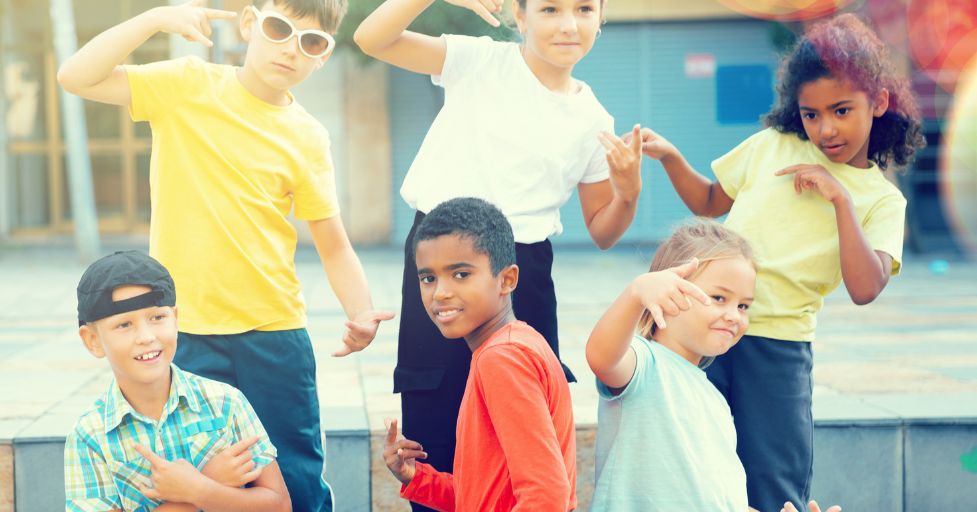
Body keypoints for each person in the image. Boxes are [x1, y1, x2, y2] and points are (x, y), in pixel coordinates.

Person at [57, 2, 394, 509]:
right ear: (248, 24)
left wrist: (360, 310)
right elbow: (75, 76)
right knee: (205, 480)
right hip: (186, 331)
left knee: (296, 477)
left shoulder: (307, 135)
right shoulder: (186, 85)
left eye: (312, 42)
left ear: (323, 57)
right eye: (280, 29)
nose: (291, 49)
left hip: (274, 333)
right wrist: (154, 19)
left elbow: (333, 241)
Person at [633, 14, 925, 511]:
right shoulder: (773, 145)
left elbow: (865, 286)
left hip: (779, 347)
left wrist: (840, 200)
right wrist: (670, 158)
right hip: (703, 328)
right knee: (693, 469)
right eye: (811, 114)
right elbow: (708, 200)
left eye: (841, 110)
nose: (825, 128)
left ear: (877, 103)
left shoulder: (880, 200)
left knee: (773, 483)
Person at [354, 3, 642, 502]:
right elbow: (372, 39)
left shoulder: (594, 119)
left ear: (601, 18)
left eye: (584, 9)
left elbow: (603, 229)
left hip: (521, 273)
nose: (568, 23)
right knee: (436, 425)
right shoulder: (478, 61)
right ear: (520, 15)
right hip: (442, 255)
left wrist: (628, 192)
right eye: (549, 8)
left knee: (522, 440)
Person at [383, 197, 576, 511]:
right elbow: (483, 497)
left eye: (461, 274)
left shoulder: (503, 359)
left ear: (507, 279)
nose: (441, 292)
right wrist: (414, 477)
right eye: (428, 278)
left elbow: (546, 496)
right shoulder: (513, 346)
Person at [65, 250, 290, 512]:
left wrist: (200, 489)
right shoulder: (90, 436)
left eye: (157, 317)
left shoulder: (225, 403)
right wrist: (202, 486)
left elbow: (280, 505)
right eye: (124, 325)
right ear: (93, 341)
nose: (146, 336)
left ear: (176, 319)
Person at [586, 220, 754, 511]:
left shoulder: (714, 399)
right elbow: (602, 357)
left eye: (743, 306)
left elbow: (720, 496)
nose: (733, 316)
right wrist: (636, 293)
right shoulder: (644, 363)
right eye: (718, 298)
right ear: (666, 291)